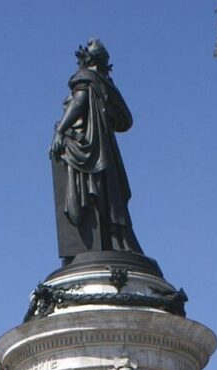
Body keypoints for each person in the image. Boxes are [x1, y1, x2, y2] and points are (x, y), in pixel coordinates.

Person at [49, 38, 142, 260]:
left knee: (103, 193)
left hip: (92, 147)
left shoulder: (89, 80)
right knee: (107, 194)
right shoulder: (97, 83)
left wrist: (60, 130)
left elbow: (80, 102)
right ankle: (114, 238)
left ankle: (108, 240)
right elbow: (123, 119)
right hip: (98, 149)